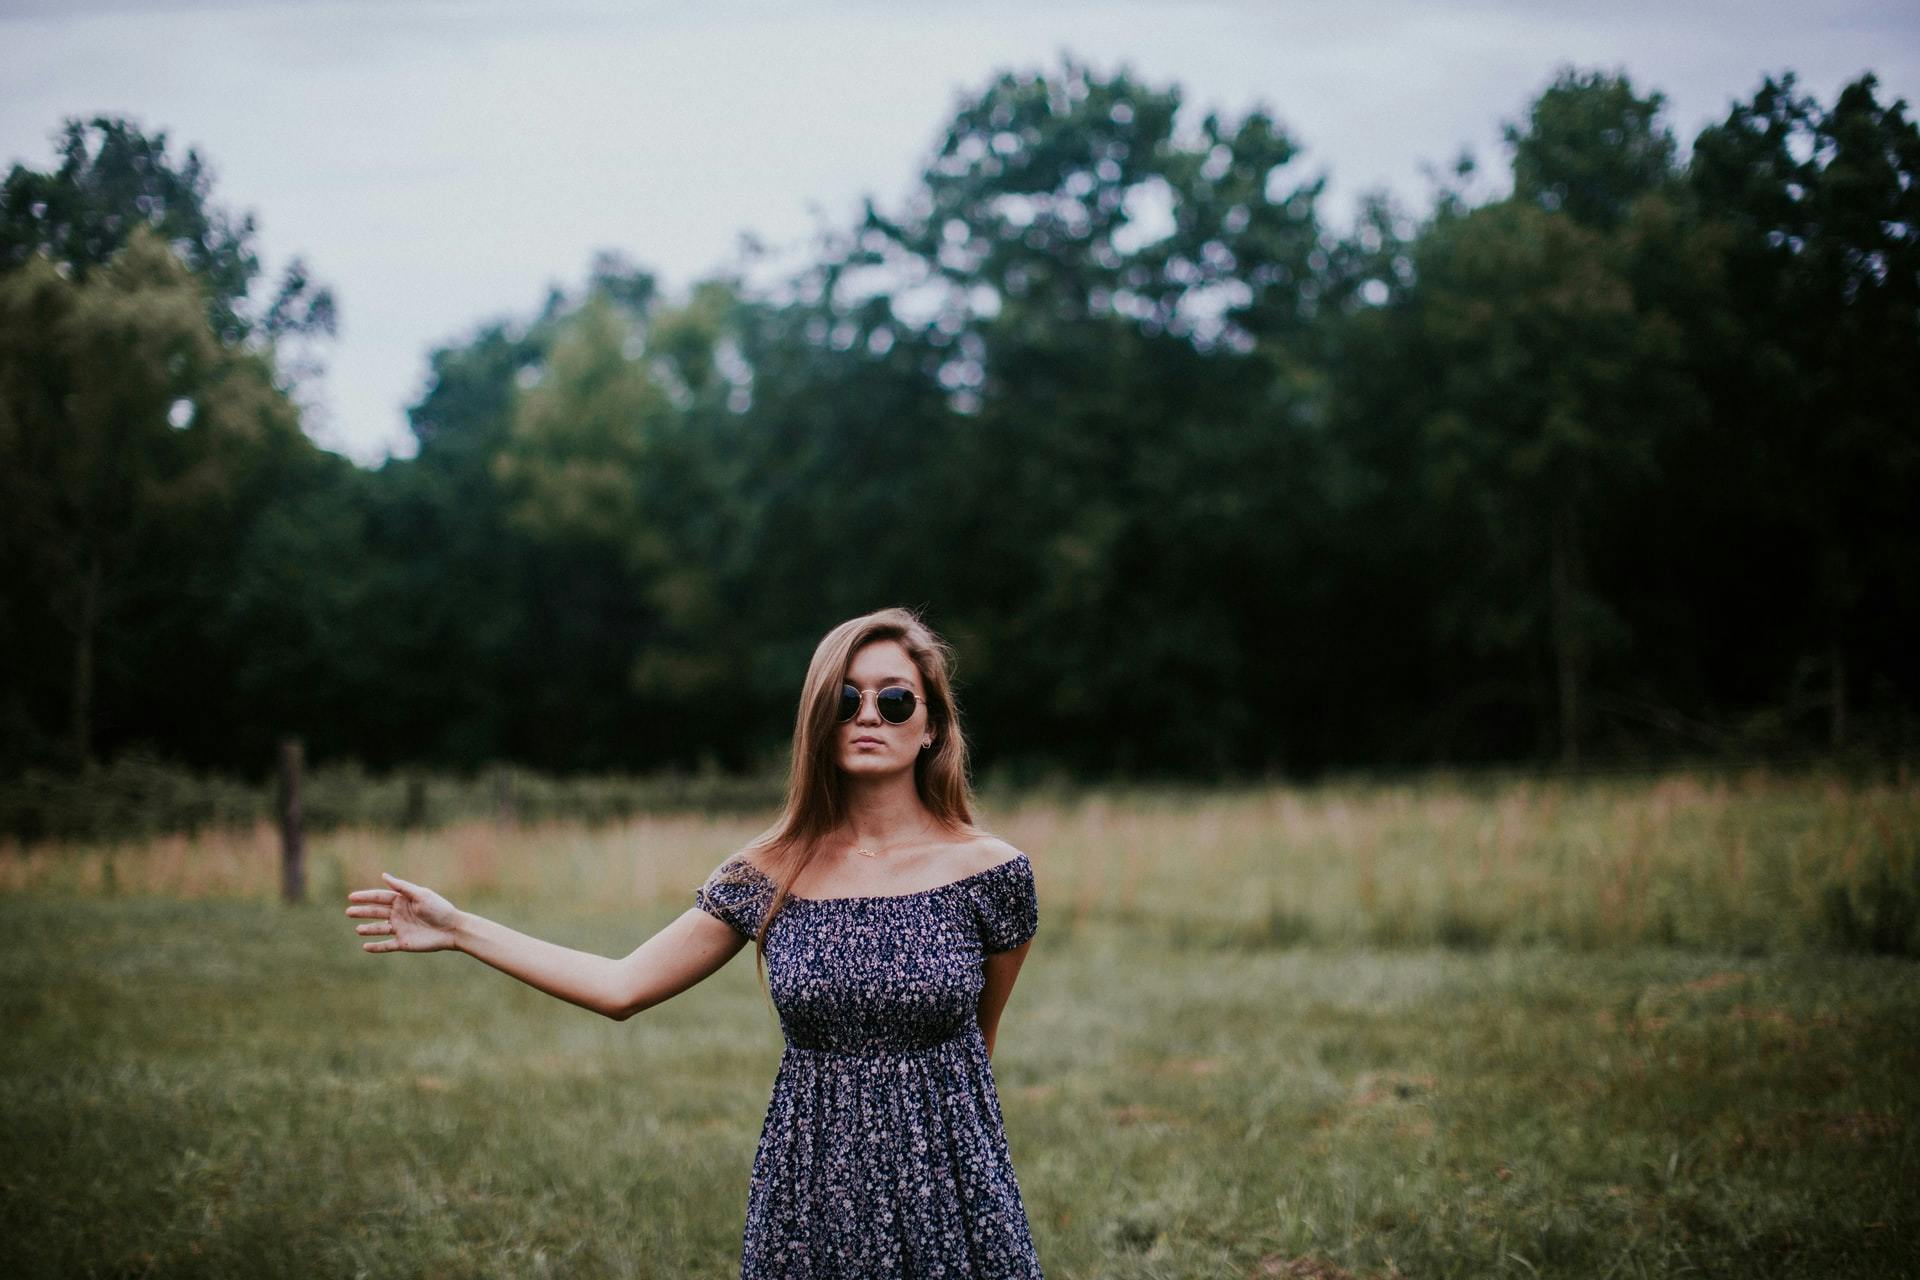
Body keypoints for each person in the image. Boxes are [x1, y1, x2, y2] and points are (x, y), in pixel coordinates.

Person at [344, 606, 1044, 1277]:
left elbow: (975, 1052)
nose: (867, 714)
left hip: (952, 1182)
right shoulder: (769, 871)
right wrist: (461, 927)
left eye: (894, 700)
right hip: (813, 1189)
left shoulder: (992, 875)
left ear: (930, 727)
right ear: (818, 724)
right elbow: (622, 987)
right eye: (843, 700)